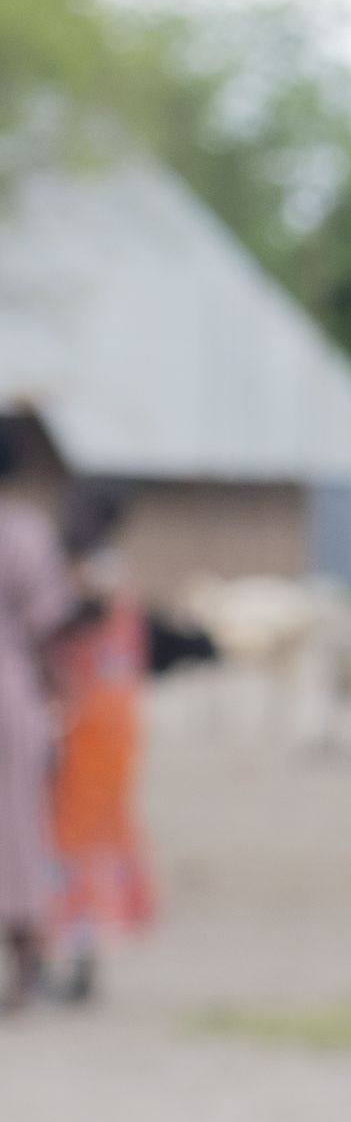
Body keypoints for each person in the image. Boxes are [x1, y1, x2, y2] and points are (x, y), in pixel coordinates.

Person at [43, 484, 155, 1003]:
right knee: (79, 841)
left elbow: (70, 622)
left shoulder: (97, 575)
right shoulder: (99, 570)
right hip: (97, 721)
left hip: (94, 724)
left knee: (75, 844)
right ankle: (71, 959)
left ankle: (76, 960)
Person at [0, 423, 76, 1012]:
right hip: (10, 694)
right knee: (19, 829)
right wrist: (60, 699)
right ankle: (27, 968)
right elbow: (50, 626)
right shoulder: (26, 532)